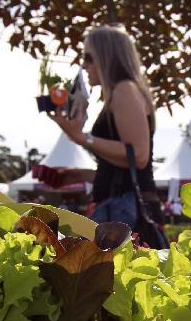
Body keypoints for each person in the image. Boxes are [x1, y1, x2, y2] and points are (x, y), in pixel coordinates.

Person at [48, 25, 163, 235]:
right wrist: (84, 175)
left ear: (107, 56)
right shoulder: (122, 91)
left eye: (89, 58)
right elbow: (126, 169)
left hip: (126, 212)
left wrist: (81, 137)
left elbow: (138, 155)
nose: (84, 65)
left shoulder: (123, 90)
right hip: (125, 206)